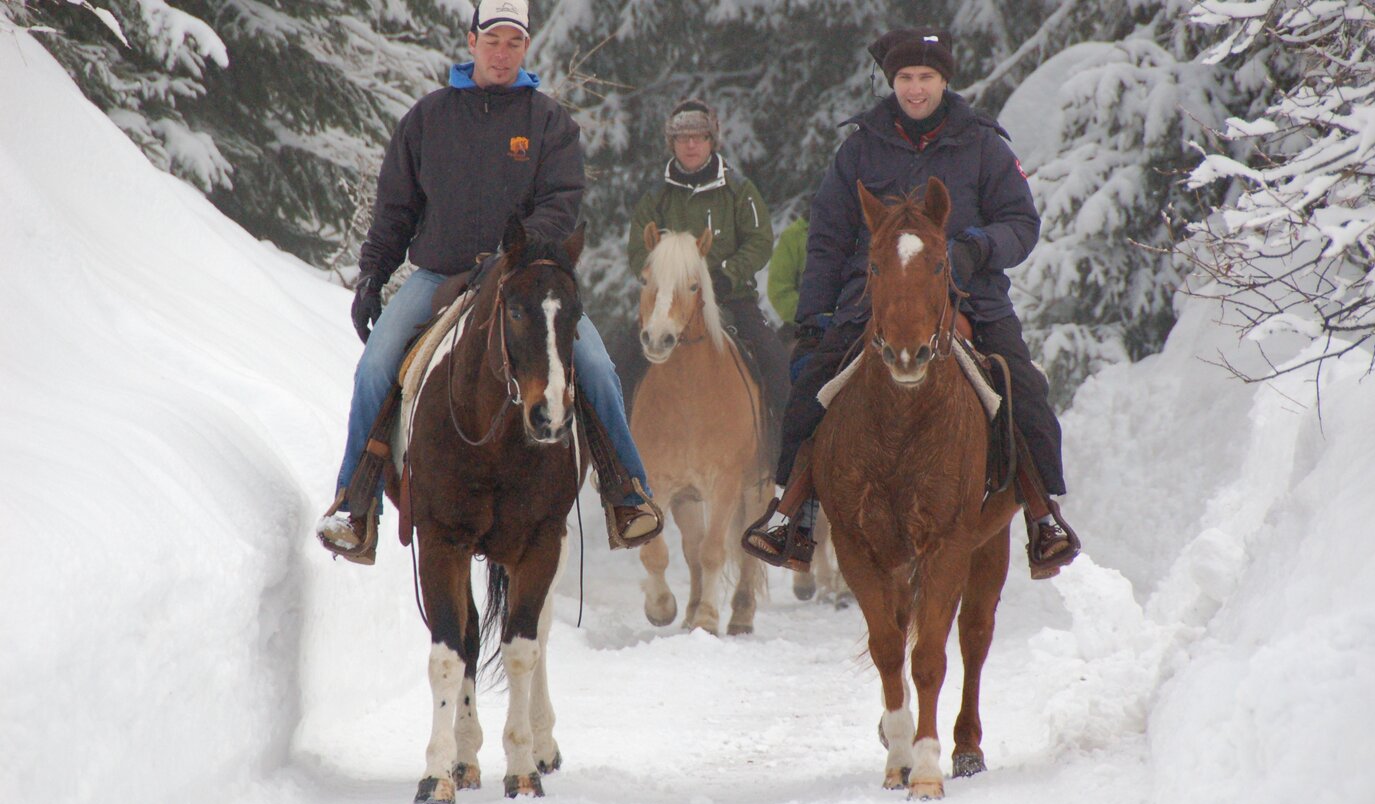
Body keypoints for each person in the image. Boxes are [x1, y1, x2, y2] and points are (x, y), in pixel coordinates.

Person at [316, 0, 659, 565]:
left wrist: (510, 256)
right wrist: (373, 274)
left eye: (514, 43)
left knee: (596, 367)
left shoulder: (549, 122)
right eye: (493, 41)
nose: (502, 54)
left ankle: (627, 493)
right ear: (471, 42)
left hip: (523, 279)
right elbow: (396, 208)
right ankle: (356, 507)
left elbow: (562, 202)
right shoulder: (427, 118)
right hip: (438, 275)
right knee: (376, 366)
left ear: (527, 47)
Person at [742, 27, 1081, 579]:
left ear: (944, 81)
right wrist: (815, 316)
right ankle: (792, 512)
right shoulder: (860, 147)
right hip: (873, 297)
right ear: (891, 81)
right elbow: (828, 233)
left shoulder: (984, 145)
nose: (915, 88)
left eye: (926, 77)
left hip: (970, 295)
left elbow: (1021, 222)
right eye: (905, 77)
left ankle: (1043, 516)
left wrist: (976, 247)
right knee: (811, 385)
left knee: (1023, 388)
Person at [621, 99, 790, 438]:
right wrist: (663, 277)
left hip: (732, 299)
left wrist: (727, 276)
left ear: (712, 141)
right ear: (672, 143)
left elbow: (760, 241)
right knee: (620, 361)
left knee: (773, 359)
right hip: (668, 303)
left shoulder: (739, 191)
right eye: (682, 138)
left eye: (699, 137)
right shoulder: (656, 197)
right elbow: (639, 249)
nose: (691, 145)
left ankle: (782, 447)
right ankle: (617, 450)